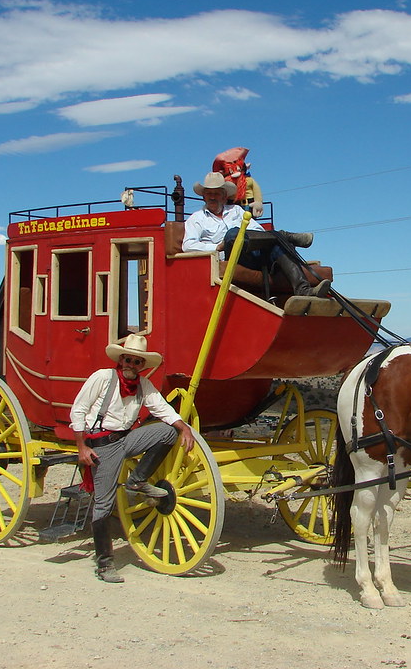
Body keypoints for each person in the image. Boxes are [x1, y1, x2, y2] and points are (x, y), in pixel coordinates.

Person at [70, 333, 196, 583]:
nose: (131, 365)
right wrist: (82, 447)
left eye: (137, 362)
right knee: (104, 504)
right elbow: (79, 409)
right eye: (128, 359)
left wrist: (184, 428)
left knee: (166, 432)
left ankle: (137, 480)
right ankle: (105, 564)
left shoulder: (143, 386)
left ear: (142, 366)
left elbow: (162, 408)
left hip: (126, 439)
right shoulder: (103, 378)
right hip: (102, 446)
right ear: (121, 359)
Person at [182, 172, 331, 298]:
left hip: (250, 254)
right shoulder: (197, 218)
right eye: (209, 193)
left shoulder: (236, 210)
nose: (212, 197)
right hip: (229, 256)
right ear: (204, 196)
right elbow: (188, 245)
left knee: (275, 247)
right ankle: (285, 236)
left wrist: (267, 239)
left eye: (216, 193)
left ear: (224, 196)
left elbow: (258, 232)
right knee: (232, 234)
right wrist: (217, 246)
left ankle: (303, 290)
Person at [213, 146, 263, 217]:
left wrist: (258, 202)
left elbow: (257, 191)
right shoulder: (226, 182)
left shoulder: (249, 180)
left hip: (248, 206)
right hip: (231, 207)